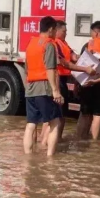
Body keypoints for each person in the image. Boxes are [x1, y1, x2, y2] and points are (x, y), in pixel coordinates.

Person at [40, 20, 96, 146]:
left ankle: (49, 143)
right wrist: (85, 69)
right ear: (57, 30)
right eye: (64, 31)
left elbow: (74, 56)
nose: (66, 34)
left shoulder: (63, 43)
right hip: (57, 81)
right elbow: (65, 63)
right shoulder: (55, 44)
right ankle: (50, 143)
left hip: (61, 81)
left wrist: (89, 57)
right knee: (57, 117)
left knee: (55, 117)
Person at [23, 16, 64, 157]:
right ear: (51, 29)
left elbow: (27, 69)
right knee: (55, 122)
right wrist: (55, 90)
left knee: (31, 124)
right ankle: (50, 157)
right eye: (55, 30)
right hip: (44, 88)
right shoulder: (49, 45)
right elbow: (50, 69)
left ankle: (28, 157)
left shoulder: (31, 44)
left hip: (31, 88)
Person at [76, 21, 100, 140]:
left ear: (96, 32)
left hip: (88, 83)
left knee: (85, 113)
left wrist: (77, 84)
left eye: (91, 32)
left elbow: (80, 65)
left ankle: (80, 138)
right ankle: (94, 141)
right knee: (98, 114)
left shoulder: (88, 45)